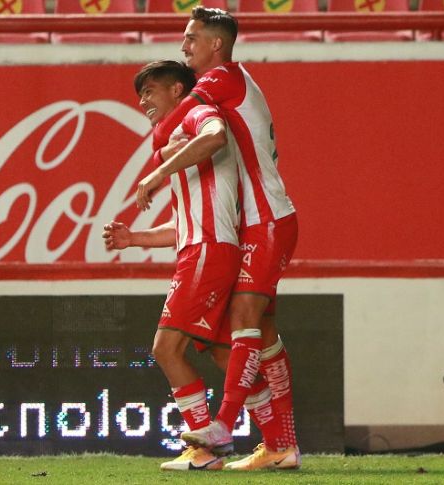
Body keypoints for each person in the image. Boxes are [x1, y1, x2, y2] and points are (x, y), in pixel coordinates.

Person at [134, 7, 301, 471]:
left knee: (240, 321)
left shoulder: (220, 79)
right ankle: (281, 445)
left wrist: (160, 160)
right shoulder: (233, 83)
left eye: (191, 39)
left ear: (216, 45)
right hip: (257, 219)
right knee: (262, 335)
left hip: (267, 217)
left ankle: (222, 427)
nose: (184, 47)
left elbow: (181, 122)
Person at [104, 60, 280, 472]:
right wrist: (136, 239)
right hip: (204, 246)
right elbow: (187, 222)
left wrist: (158, 172)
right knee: (222, 354)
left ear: (179, 91)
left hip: (207, 252)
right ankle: (276, 444)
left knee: (166, 348)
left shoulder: (200, 114)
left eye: (150, 91)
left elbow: (215, 135)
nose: (143, 101)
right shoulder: (178, 137)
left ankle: (205, 451)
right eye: (140, 94)